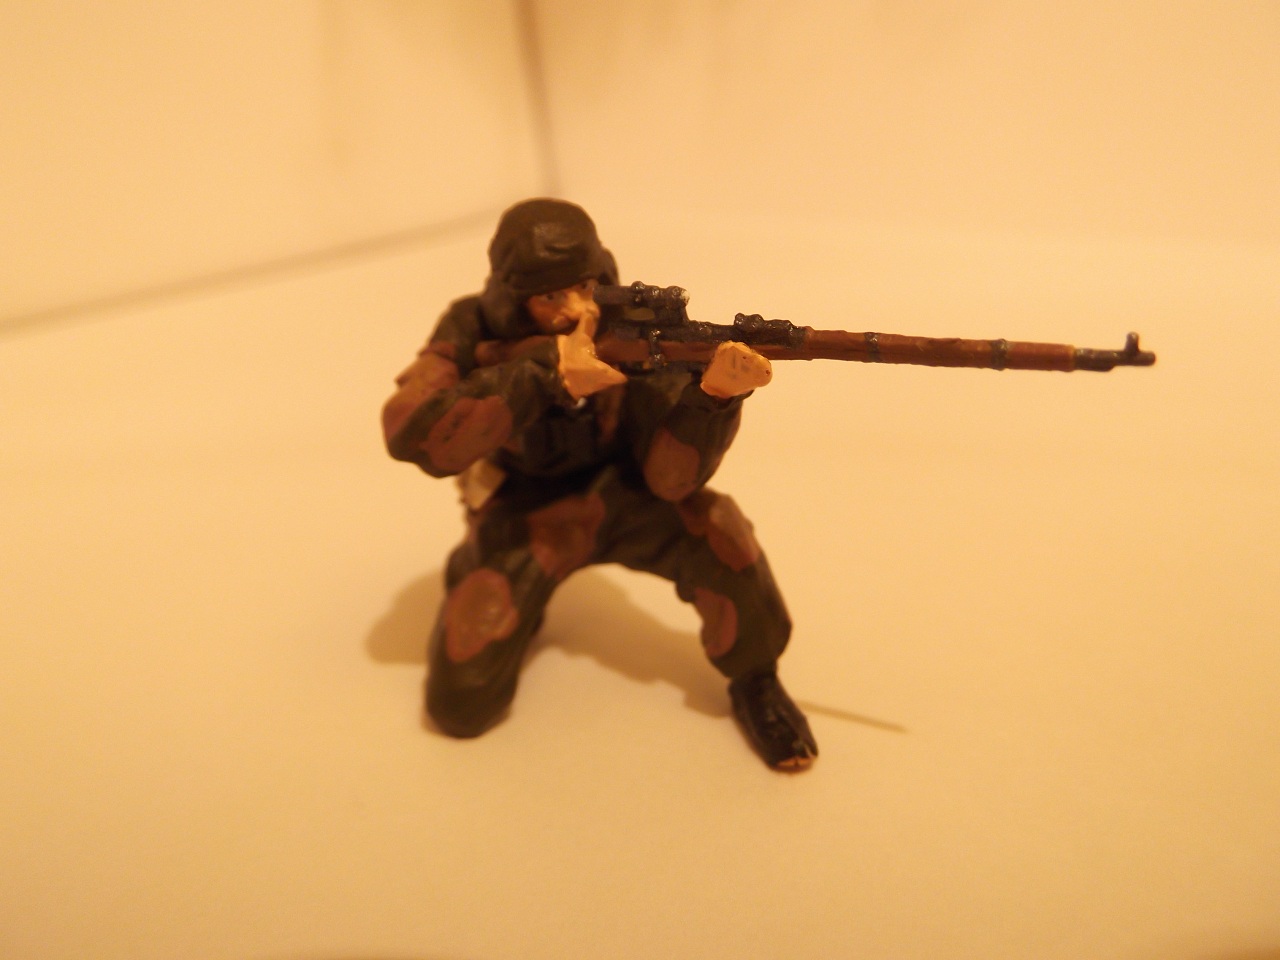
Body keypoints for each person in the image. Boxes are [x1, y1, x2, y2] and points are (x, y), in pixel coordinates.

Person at [381, 198, 817, 770]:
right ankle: (493, 578)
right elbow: (409, 430)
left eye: (585, 287)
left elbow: (671, 482)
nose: (574, 310)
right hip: (524, 511)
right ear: (512, 295)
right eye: (549, 298)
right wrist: (547, 373)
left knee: (719, 531)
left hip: (624, 494)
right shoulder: (470, 327)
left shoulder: (636, 325)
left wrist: (711, 400)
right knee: (461, 704)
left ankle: (755, 678)